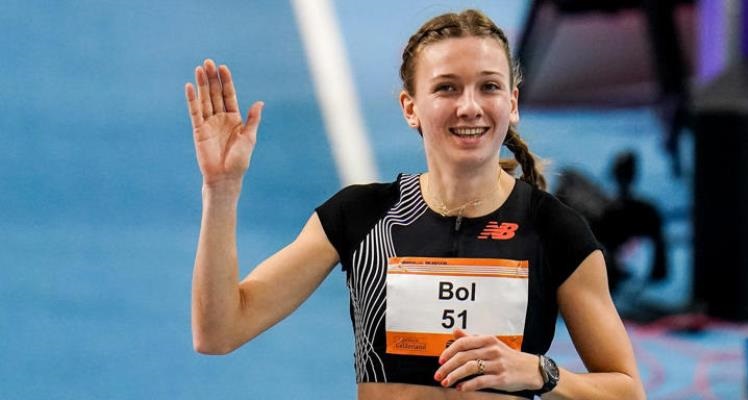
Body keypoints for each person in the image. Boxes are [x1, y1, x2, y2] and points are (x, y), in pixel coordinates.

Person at [185, 9, 645, 399]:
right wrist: (220, 190)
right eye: (446, 88)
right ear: (411, 107)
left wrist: (541, 373)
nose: (470, 106)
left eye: (488, 87)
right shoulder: (360, 217)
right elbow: (219, 332)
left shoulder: (554, 229)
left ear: (513, 102)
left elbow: (627, 389)